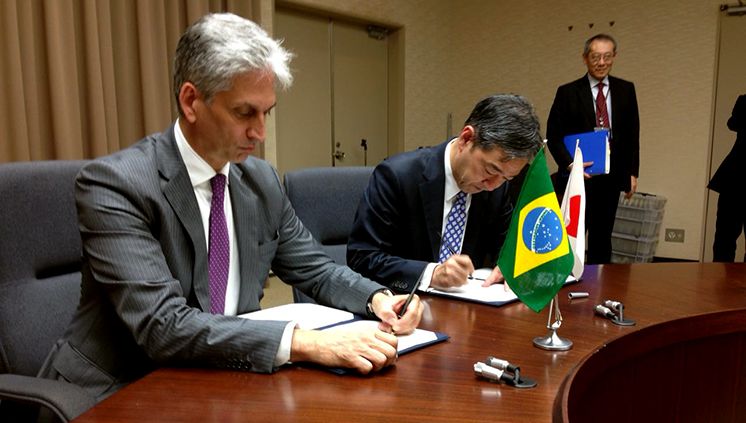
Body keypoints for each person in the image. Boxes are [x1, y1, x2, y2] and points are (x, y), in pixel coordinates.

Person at [38, 13, 423, 402]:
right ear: (191, 101)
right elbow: (162, 325)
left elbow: (315, 270)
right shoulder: (117, 184)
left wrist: (378, 299)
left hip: (221, 380)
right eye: (244, 113)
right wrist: (307, 343)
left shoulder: (261, 181)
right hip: (119, 390)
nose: (260, 133)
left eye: (266, 113)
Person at [347, 94, 544, 294]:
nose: (493, 185)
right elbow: (362, 257)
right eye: (489, 170)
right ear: (466, 139)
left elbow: (507, 245)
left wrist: (510, 264)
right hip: (402, 303)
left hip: (468, 305)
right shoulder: (397, 176)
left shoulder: (497, 187)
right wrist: (431, 274)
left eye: (507, 178)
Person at [546, 33, 640, 265]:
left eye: (607, 57)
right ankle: (567, 279)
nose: (601, 62)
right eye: (596, 57)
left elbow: (632, 135)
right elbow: (554, 136)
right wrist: (571, 164)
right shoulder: (568, 92)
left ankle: (600, 283)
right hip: (577, 177)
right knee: (572, 238)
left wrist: (632, 172)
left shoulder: (626, 90)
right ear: (585, 58)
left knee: (602, 240)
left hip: (611, 177)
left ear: (614, 57)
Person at [709, 94, 745, 262]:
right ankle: (720, 276)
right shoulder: (744, 100)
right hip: (735, 177)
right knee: (725, 238)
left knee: (725, 238)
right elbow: (732, 123)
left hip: (735, 176)